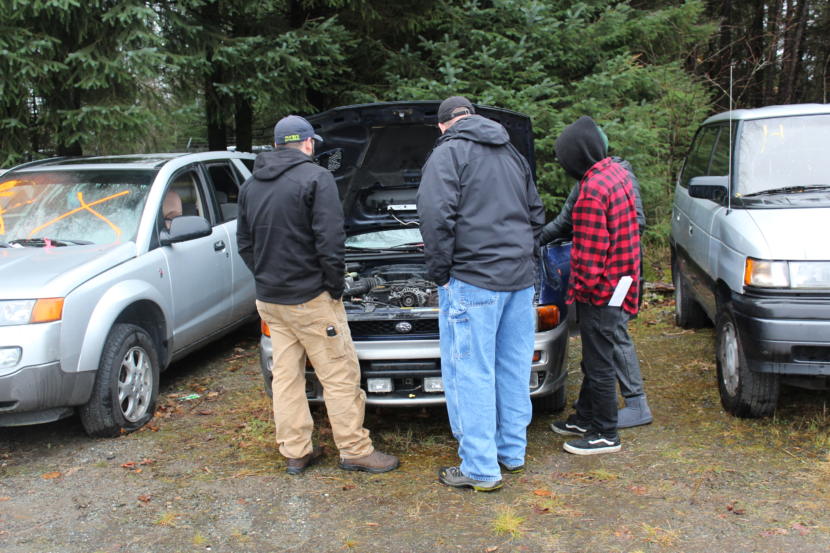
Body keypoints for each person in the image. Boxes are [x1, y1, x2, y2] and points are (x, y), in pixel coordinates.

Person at [236, 115, 399, 475]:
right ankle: (355, 450)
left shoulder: (251, 185)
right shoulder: (316, 177)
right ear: (308, 144)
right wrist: (334, 286)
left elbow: (244, 244)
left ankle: (295, 451)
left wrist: (267, 277)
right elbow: (331, 241)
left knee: (287, 377)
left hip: (271, 301)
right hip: (311, 299)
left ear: (278, 145)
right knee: (339, 375)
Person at [417, 96, 545, 491]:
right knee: (512, 367)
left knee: (470, 373)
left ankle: (480, 469)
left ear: (443, 125)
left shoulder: (448, 153)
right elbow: (536, 214)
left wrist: (441, 273)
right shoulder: (511, 152)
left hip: (473, 280)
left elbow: (435, 217)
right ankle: (511, 452)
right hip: (519, 281)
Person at [540, 148, 653, 429]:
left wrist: (590, 286)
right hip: (610, 278)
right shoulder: (593, 179)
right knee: (597, 347)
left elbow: (634, 225)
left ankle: (635, 404)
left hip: (615, 279)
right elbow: (564, 222)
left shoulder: (607, 181)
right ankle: (589, 412)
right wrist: (534, 240)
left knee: (611, 337)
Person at [549, 115, 641, 455]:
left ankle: (605, 433)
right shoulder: (616, 174)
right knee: (595, 356)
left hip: (602, 290)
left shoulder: (591, 192)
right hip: (624, 279)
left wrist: (579, 293)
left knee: (600, 362)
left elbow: (589, 255)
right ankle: (585, 417)